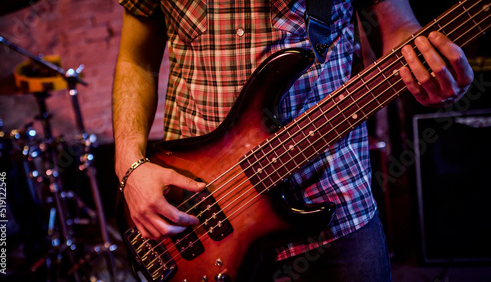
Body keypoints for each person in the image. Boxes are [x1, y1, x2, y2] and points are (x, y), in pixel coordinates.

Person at [112, 0, 473, 280]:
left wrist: (423, 62)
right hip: (199, 210)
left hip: (335, 197)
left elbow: (398, 28)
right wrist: (129, 166)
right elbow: (136, 59)